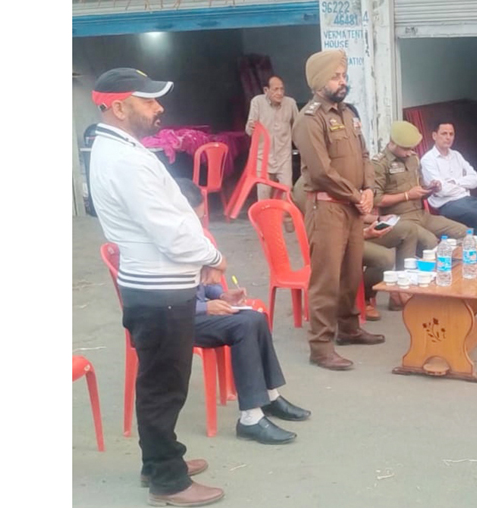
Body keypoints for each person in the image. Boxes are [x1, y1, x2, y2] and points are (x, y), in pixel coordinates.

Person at [88, 68, 226, 507]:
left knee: (160, 383)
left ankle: (159, 462)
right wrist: (212, 257)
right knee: (164, 387)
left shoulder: (120, 150)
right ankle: (168, 480)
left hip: (159, 285)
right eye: (148, 101)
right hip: (159, 289)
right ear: (118, 106)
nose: (158, 107)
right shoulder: (126, 160)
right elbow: (168, 228)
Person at [174, 178, 311, 444]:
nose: (199, 223)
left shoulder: (191, 236)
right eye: (195, 217)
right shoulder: (169, 241)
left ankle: (270, 396)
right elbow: (173, 297)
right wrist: (205, 307)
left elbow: (200, 284)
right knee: (244, 325)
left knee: (256, 317)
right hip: (177, 319)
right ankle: (250, 417)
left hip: (197, 311)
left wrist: (222, 295)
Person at [292, 49, 385, 371]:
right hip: (328, 208)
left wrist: (370, 189)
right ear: (319, 81)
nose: (342, 82)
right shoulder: (310, 118)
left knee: (350, 275)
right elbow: (320, 170)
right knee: (326, 279)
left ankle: (348, 328)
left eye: (343, 76)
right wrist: (355, 195)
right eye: (335, 76)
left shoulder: (347, 113)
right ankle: (320, 346)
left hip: (352, 207)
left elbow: (364, 156)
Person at [372, 121, 468, 287]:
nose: (410, 152)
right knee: (430, 242)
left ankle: (456, 280)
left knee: (463, 232)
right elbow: (377, 199)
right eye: (406, 148)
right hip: (400, 218)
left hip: (421, 214)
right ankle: (405, 291)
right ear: (393, 143)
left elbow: (420, 185)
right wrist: (407, 195)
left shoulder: (413, 158)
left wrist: (430, 188)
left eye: (412, 148)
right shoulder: (379, 164)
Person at [292, 173, 397, 321]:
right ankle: (362, 299)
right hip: (332, 240)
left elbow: (353, 209)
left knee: (404, 233)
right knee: (384, 258)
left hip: (352, 230)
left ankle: (390, 295)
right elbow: (323, 228)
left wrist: (377, 219)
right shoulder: (308, 186)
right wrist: (363, 233)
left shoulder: (338, 172)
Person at [246, 75, 300, 232]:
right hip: (263, 156)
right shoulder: (257, 102)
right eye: (275, 89)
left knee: (287, 188)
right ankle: (264, 223)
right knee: (264, 190)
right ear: (266, 90)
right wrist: (252, 128)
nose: (280, 92)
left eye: (282, 88)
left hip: (283, 155)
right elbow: (249, 130)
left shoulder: (290, 104)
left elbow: (297, 127)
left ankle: (284, 217)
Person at [420, 121, 477, 233]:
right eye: (444, 133)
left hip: (467, 200)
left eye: (451, 134)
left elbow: (475, 180)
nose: (448, 137)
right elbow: (442, 190)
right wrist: (464, 186)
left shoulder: (457, 155)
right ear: (434, 136)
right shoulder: (428, 160)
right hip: (446, 205)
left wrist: (454, 182)